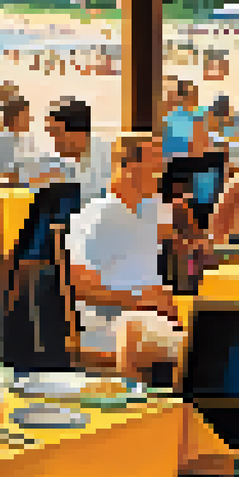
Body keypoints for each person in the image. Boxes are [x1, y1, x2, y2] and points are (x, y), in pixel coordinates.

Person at [65, 133, 184, 384]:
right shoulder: (101, 217)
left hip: (148, 321)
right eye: (154, 164)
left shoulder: (148, 211)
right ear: (128, 166)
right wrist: (140, 299)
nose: (161, 171)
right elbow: (77, 284)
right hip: (110, 328)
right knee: (194, 350)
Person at [37, 98, 113, 203]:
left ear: (78, 133)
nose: (55, 142)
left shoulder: (109, 161)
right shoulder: (79, 162)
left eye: (57, 133)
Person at [0, 97, 43, 186]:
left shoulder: (26, 140)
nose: (30, 119)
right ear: (15, 118)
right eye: (26, 116)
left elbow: (36, 166)